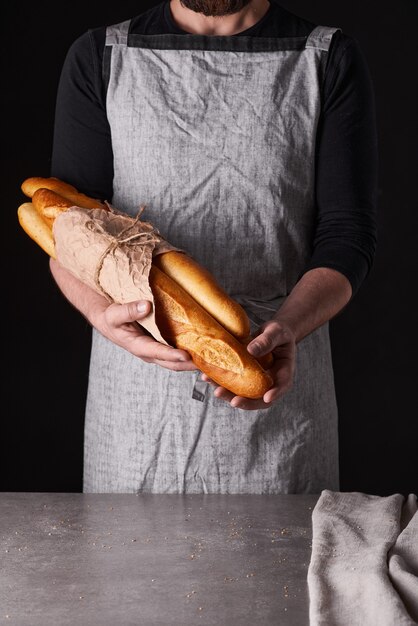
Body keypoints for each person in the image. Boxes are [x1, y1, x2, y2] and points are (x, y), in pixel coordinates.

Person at [49, 0, 378, 494]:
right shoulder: (103, 54)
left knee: (279, 569)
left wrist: (288, 326)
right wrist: (103, 316)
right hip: (137, 404)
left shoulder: (326, 57)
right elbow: (69, 232)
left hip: (275, 378)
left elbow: (347, 235)